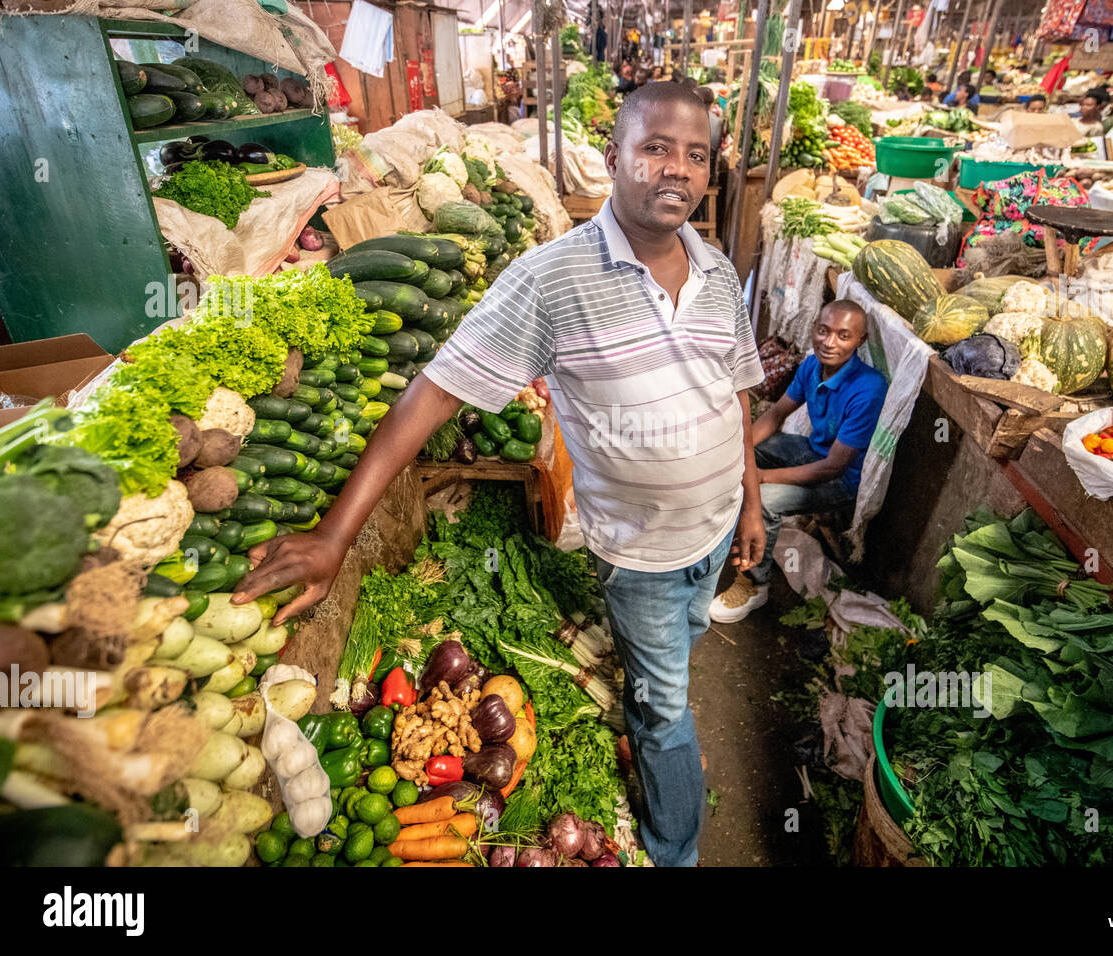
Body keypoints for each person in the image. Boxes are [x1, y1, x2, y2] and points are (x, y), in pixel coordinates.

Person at [233, 81, 765, 869]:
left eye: (693, 155)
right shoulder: (549, 280)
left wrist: (751, 503)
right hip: (641, 553)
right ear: (615, 156)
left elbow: (738, 392)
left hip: (716, 528)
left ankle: (664, 697)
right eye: (654, 147)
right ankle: (675, 851)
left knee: (678, 653)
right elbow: (433, 392)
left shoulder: (718, 271)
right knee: (664, 714)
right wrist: (334, 536)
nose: (674, 170)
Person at [709, 300, 886, 623]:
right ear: (814, 329)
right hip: (811, 451)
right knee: (737, 455)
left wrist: (761, 478)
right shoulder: (811, 366)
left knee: (763, 501)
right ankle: (719, 535)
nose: (829, 342)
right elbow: (776, 414)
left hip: (841, 478)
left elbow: (834, 466)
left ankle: (754, 584)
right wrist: (737, 449)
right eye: (823, 331)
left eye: (843, 336)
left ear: (860, 341)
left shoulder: (868, 389)